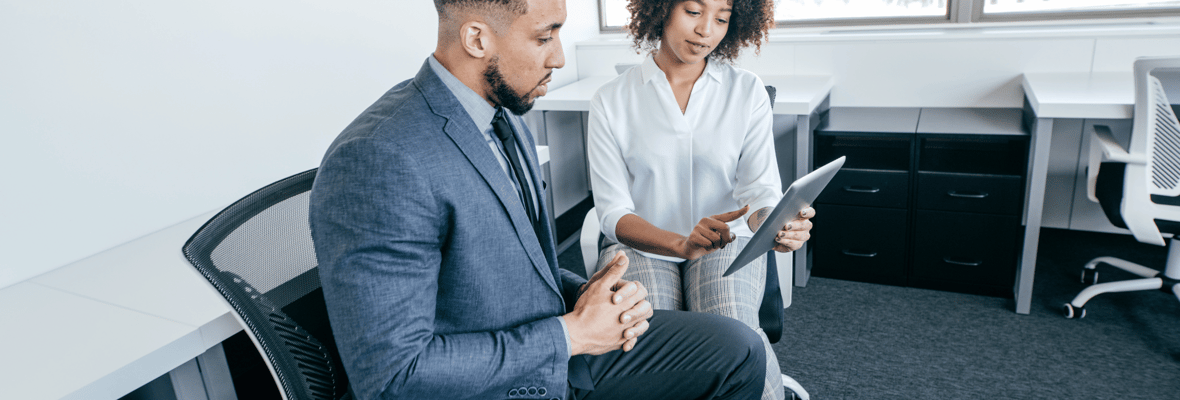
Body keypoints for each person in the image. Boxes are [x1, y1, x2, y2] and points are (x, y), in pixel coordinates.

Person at [309, 0, 770, 399]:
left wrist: (586, 292)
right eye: (544, 37)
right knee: (736, 359)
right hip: (508, 380)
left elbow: (521, 269)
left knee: (738, 345)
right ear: (476, 38)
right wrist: (571, 335)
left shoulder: (503, 120)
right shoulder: (378, 157)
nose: (559, 57)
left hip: (547, 339)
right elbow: (392, 378)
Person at [587, 1, 816, 399]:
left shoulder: (746, 91)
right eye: (693, 11)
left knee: (733, 332)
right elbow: (612, 211)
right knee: (646, 342)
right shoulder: (611, 99)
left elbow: (760, 188)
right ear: (661, 9)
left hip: (726, 240)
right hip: (642, 246)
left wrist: (774, 222)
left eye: (722, 18)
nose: (706, 30)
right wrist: (679, 243)